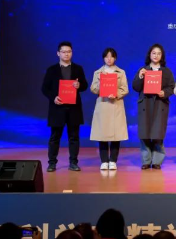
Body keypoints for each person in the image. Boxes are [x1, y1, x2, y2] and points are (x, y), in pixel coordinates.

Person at [41, 41, 89, 172]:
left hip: (74, 108)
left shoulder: (78, 68)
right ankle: (52, 163)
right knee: (55, 137)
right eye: (63, 52)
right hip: (57, 108)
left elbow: (85, 85)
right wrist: (53, 97)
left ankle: (73, 162)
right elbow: (44, 88)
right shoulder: (52, 70)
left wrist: (79, 86)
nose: (66, 54)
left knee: (74, 137)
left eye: (69, 52)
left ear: (72, 53)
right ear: (58, 53)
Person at [132, 44, 175, 170]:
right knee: (144, 133)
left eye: (159, 53)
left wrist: (164, 93)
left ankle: (157, 161)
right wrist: (140, 76)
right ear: (149, 55)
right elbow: (135, 87)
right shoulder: (143, 70)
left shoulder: (166, 71)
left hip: (160, 104)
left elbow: (171, 87)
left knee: (158, 133)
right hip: (145, 104)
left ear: (162, 56)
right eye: (154, 53)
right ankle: (146, 160)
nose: (156, 55)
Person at [90, 47, 129, 170]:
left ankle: (113, 160)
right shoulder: (98, 72)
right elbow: (93, 88)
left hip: (116, 105)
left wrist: (115, 94)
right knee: (102, 134)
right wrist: (102, 84)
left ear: (115, 58)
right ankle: (104, 161)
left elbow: (125, 89)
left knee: (116, 134)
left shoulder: (121, 72)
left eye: (111, 56)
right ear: (103, 58)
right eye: (106, 56)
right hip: (103, 105)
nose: (109, 59)